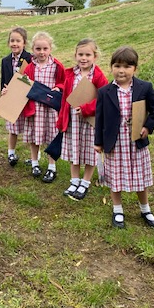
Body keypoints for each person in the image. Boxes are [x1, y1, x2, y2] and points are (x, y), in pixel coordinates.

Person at [94, 46, 154, 229]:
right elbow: (100, 118)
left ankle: (145, 208)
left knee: (140, 176)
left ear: (135, 69)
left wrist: (147, 126)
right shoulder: (105, 92)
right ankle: (117, 209)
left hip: (135, 141)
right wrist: (98, 142)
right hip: (114, 143)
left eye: (127, 66)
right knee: (115, 176)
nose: (121, 70)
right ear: (111, 67)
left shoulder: (145, 87)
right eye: (117, 66)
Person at [58, 38, 108, 200]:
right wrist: (62, 117)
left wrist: (87, 109)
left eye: (88, 54)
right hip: (73, 121)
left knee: (88, 152)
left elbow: (104, 99)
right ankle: (74, 180)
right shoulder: (71, 74)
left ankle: (85, 182)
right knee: (75, 150)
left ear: (95, 56)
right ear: (75, 56)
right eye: (80, 54)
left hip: (90, 123)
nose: (83, 58)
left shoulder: (98, 76)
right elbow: (66, 97)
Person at [21, 31, 65, 183]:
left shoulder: (57, 66)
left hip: (50, 109)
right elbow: (22, 84)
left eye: (45, 49)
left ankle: (52, 166)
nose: (42, 52)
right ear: (33, 49)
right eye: (38, 49)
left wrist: (58, 87)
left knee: (51, 135)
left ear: (50, 49)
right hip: (35, 108)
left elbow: (63, 82)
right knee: (35, 136)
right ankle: (35, 163)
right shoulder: (29, 67)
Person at [0, 27, 33, 166]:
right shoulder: (5, 60)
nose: (15, 43)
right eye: (12, 40)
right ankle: (11, 153)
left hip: (27, 97)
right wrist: (3, 93)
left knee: (30, 128)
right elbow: (3, 81)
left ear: (24, 43)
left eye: (18, 41)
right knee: (13, 128)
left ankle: (34, 157)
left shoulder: (30, 58)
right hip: (12, 98)